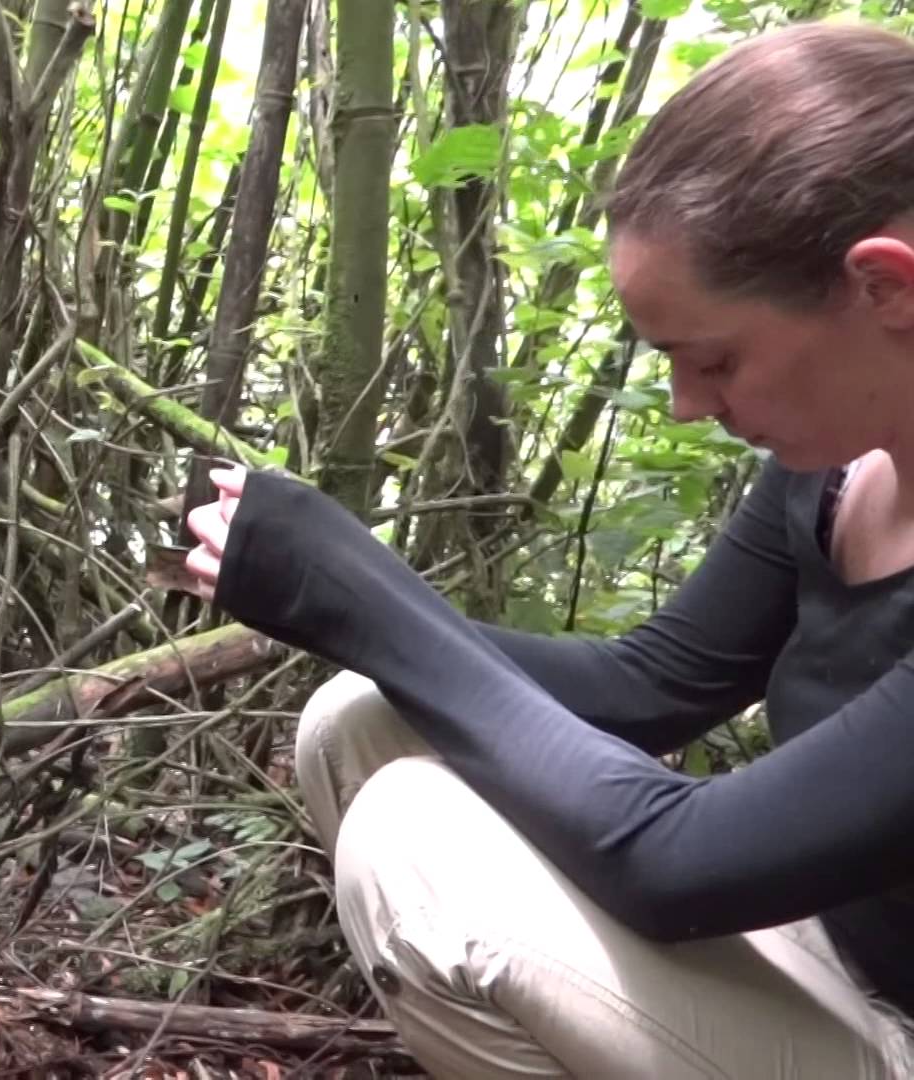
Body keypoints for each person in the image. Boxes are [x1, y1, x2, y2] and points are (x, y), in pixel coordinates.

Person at [181, 20, 914, 1079]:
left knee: (418, 850)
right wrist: (349, 586)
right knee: (368, 721)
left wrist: (356, 598)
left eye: (712, 360)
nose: (686, 403)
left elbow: (679, 862)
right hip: (833, 949)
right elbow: (653, 684)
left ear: (884, 286)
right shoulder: (839, 462)